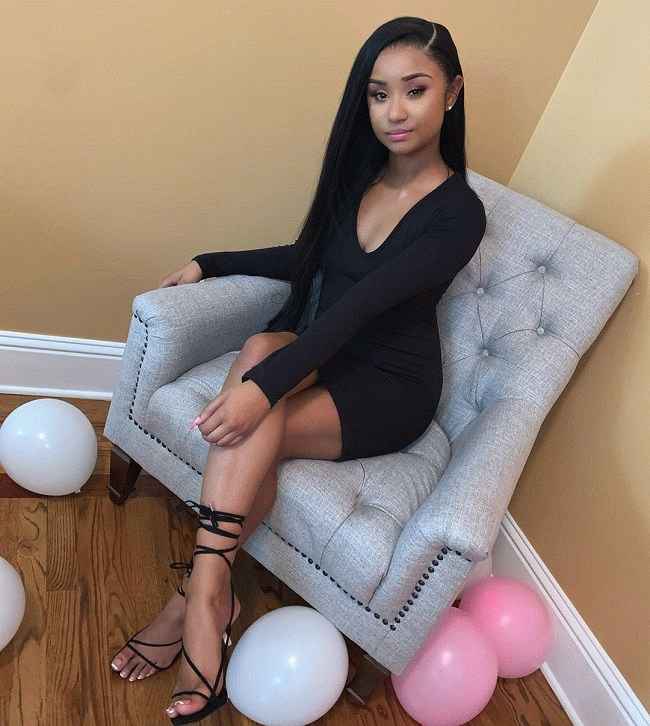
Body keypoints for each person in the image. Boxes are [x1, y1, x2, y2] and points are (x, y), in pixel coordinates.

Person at [110, 17, 487, 724]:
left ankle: (195, 603)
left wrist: (264, 391)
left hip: (389, 387)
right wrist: (209, 262)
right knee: (260, 347)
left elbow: (364, 305)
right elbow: (307, 258)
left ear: (453, 93)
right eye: (378, 93)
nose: (395, 111)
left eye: (415, 90)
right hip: (326, 354)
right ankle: (209, 598)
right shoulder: (361, 180)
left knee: (260, 403)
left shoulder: (460, 214)